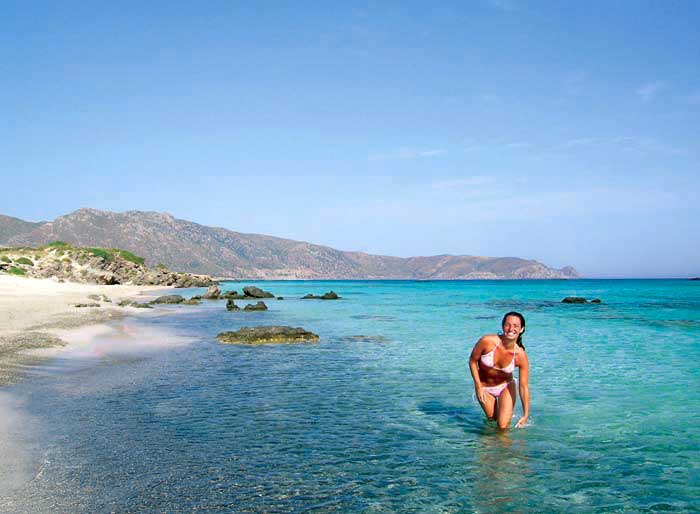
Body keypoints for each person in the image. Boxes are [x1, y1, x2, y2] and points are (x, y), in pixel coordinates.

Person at [469, 311, 530, 429]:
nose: (511, 328)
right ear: (503, 326)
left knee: (502, 427)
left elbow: (524, 387)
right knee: (492, 420)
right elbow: (472, 361)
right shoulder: (487, 341)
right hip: (484, 387)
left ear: (522, 329)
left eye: (516, 326)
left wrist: (525, 414)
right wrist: (478, 386)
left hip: (506, 387)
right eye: (507, 325)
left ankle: (504, 446)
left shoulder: (520, 355)